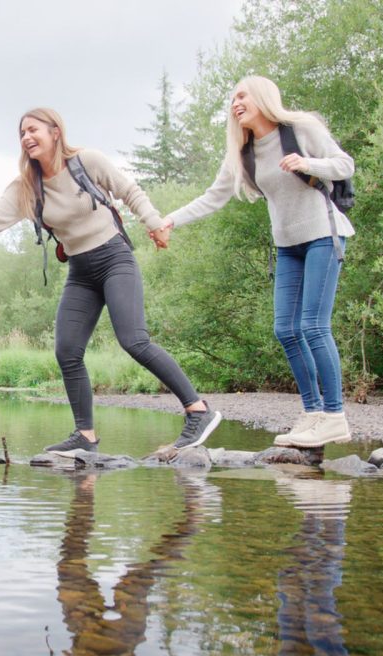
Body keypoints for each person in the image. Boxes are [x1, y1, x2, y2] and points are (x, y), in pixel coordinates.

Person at [0, 108, 221, 453]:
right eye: (22, 134)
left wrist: (153, 223)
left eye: (33, 130)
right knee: (67, 351)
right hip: (80, 271)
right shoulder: (26, 188)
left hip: (114, 258)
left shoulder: (86, 162)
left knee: (134, 340)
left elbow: (128, 190)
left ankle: (198, 411)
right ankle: (85, 436)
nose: (27, 138)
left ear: (55, 132)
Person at [157, 76, 355, 447]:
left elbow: (345, 165)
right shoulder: (242, 152)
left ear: (264, 96)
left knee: (313, 326)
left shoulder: (301, 129)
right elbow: (212, 197)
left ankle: (335, 416)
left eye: (242, 95)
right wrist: (169, 220)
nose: (235, 103)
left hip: (323, 235)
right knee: (286, 330)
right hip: (288, 246)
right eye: (232, 99)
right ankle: (312, 414)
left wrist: (307, 162)